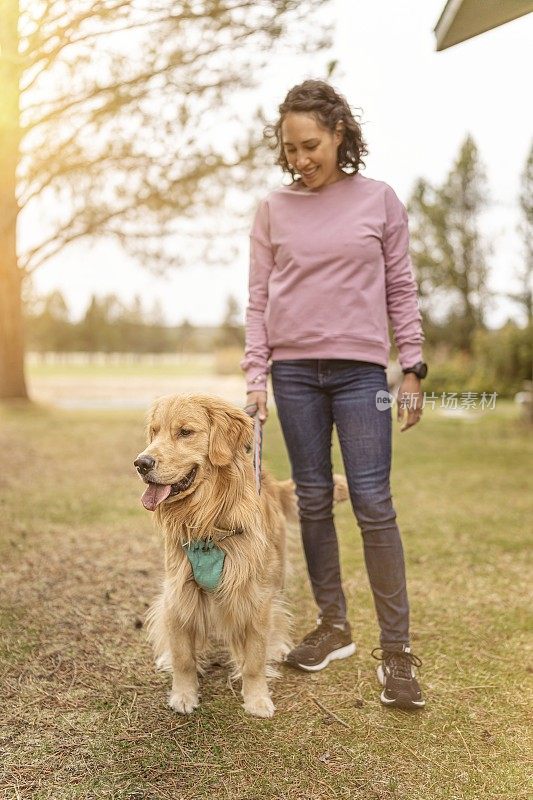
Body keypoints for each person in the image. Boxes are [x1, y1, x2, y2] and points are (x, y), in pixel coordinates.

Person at [240, 79, 427, 710]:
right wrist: (255, 377)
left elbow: (401, 287)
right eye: (291, 149)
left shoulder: (379, 201)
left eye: (311, 145)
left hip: (359, 373)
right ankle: (333, 626)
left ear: (339, 133)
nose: (301, 159)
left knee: (373, 501)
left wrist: (414, 367)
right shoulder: (273, 209)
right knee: (313, 499)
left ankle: (397, 655)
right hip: (293, 374)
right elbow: (259, 299)